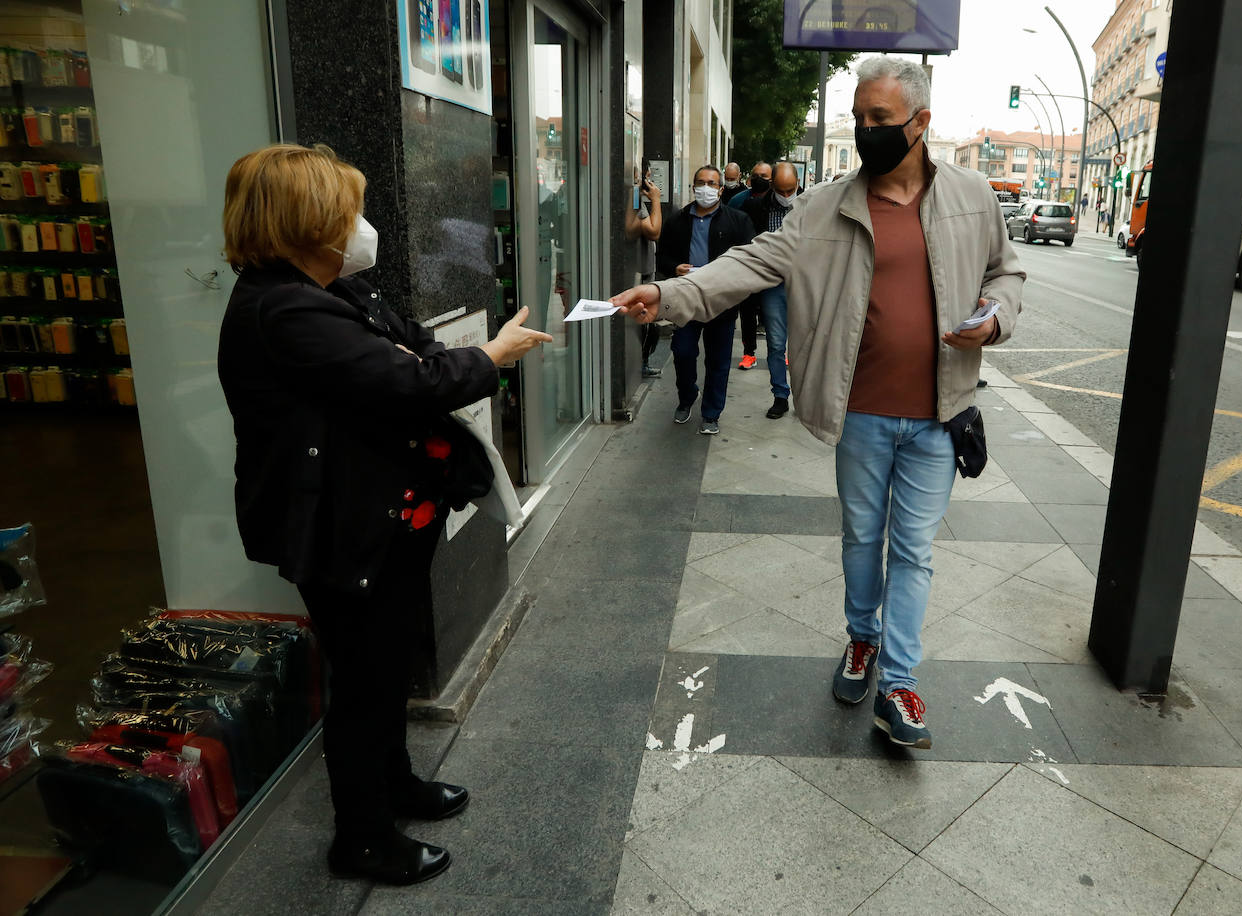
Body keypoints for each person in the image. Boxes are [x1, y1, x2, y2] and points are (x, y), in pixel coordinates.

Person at [613, 58, 1025, 749]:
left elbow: (1004, 271)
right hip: (859, 409)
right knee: (863, 539)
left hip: (940, 411)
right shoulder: (825, 205)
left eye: (880, 120)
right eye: (860, 118)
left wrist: (994, 317)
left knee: (915, 550)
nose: (865, 131)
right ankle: (861, 641)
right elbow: (752, 264)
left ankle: (898, 682)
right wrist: (672, 295)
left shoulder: (973, 197)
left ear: (921, 124)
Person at [217, 144, 551, 885]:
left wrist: (461, 361)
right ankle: (361, 837)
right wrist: (490, 357)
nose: (360, 225)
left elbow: (418, 347)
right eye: (347, 211)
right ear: (306, 221)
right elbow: (409, 379)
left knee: (388, 665)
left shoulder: (337, 287)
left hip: (387, 518)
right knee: (364, 681)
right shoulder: (283, 308)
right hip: (343, 528)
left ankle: (394, 785)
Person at [654, 164, 755, 434]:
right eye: (701, 183)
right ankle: (687, 397)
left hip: (721, 302)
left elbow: (748, 260)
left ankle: (711, 413)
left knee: (718, 361)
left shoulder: (738, 221)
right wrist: (675, 267)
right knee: (683, 352)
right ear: (693, 187)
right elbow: (662, 257)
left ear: (721, 189)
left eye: (712, 183)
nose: (706, 188)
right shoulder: (677, 221)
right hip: (686, 299)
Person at [740, 160, 800, 419]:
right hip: (773, 284)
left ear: (799, 184)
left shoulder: (811, 206)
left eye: (791, 190)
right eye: (782, 190)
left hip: (804, 285)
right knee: (776, 343)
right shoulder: (756, 207)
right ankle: (780, 395)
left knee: (805, 345)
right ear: (773, 184)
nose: (787, 196)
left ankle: (805, 395)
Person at [729, 161, 772, 368]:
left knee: (774, 311)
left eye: (764, 176)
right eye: (756, 175)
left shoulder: (778, 202)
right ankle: (749, 353)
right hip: (747, 264)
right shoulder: (739, 201)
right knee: (747, 312)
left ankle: (779, 351)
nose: (759, 179)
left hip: (774, 266)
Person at [627, 170, 664, 377]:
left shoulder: (636, 199)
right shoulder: (634, 199)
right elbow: (653, 230)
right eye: (646, 176)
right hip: (638, 271)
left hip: (644, 268)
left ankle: (642, 361)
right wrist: (656, 200)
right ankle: (640, 363)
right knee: (643, 321)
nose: (649, 180)